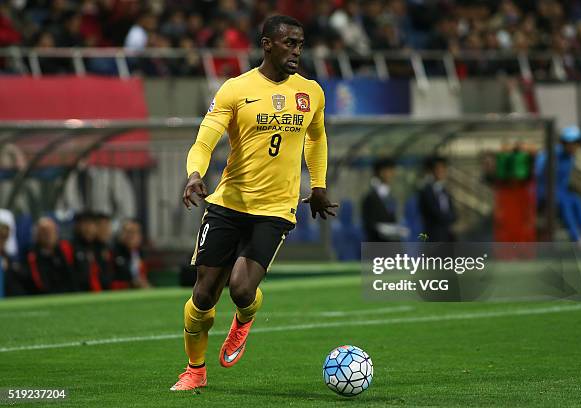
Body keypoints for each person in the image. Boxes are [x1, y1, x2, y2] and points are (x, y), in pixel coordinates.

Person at [172, 15, 337, 391]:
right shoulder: (235, 88)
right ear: (267, 44)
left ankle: (243, 319)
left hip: (276, 209)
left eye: (300, 44)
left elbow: (316, 137)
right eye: (289, 43)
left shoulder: (311, 91)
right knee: (203, 295)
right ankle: (195, 371)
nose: (297, 50)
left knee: (242, 290)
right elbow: (205, 138)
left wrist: (320, 184)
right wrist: (195, 173)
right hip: (228, 202)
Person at [535, 126, 581, 246]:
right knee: (566, 203)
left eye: (576, 142)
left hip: (561, 191)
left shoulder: (570, 157)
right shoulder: (551, 154)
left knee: (578, 200)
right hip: (544, 191)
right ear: (563, 143)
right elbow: (538, 173)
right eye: (569, 143)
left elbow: (564, 181)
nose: (573, 146)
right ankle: (575, 238)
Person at [361, 158, 409, 242]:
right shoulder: (370, 198)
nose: (392, 174)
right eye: (389, 171)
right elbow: (369, 225)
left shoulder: (390, 196)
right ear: (380, 172)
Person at [26, 217, 75, 294]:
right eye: (44, 231)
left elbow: (72, 277)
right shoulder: (31, 256)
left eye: (51, 231)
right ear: (37, 235)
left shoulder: (65, 251)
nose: (48, 235)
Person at [418, 155, 457, 242]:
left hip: (446, 237)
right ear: (431, 171)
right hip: (431, 237)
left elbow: (453, 213)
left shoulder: (444, 190)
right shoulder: (425, 191)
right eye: (437, 168)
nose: (441, 171)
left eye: (443, 168)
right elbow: (435, 213)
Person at [111, 219, 150, 289]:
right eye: (127, 232)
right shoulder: (113, 252)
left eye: (134, 232)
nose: (130, 236)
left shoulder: (141, 253)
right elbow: (108, 282)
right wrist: (130, 284)